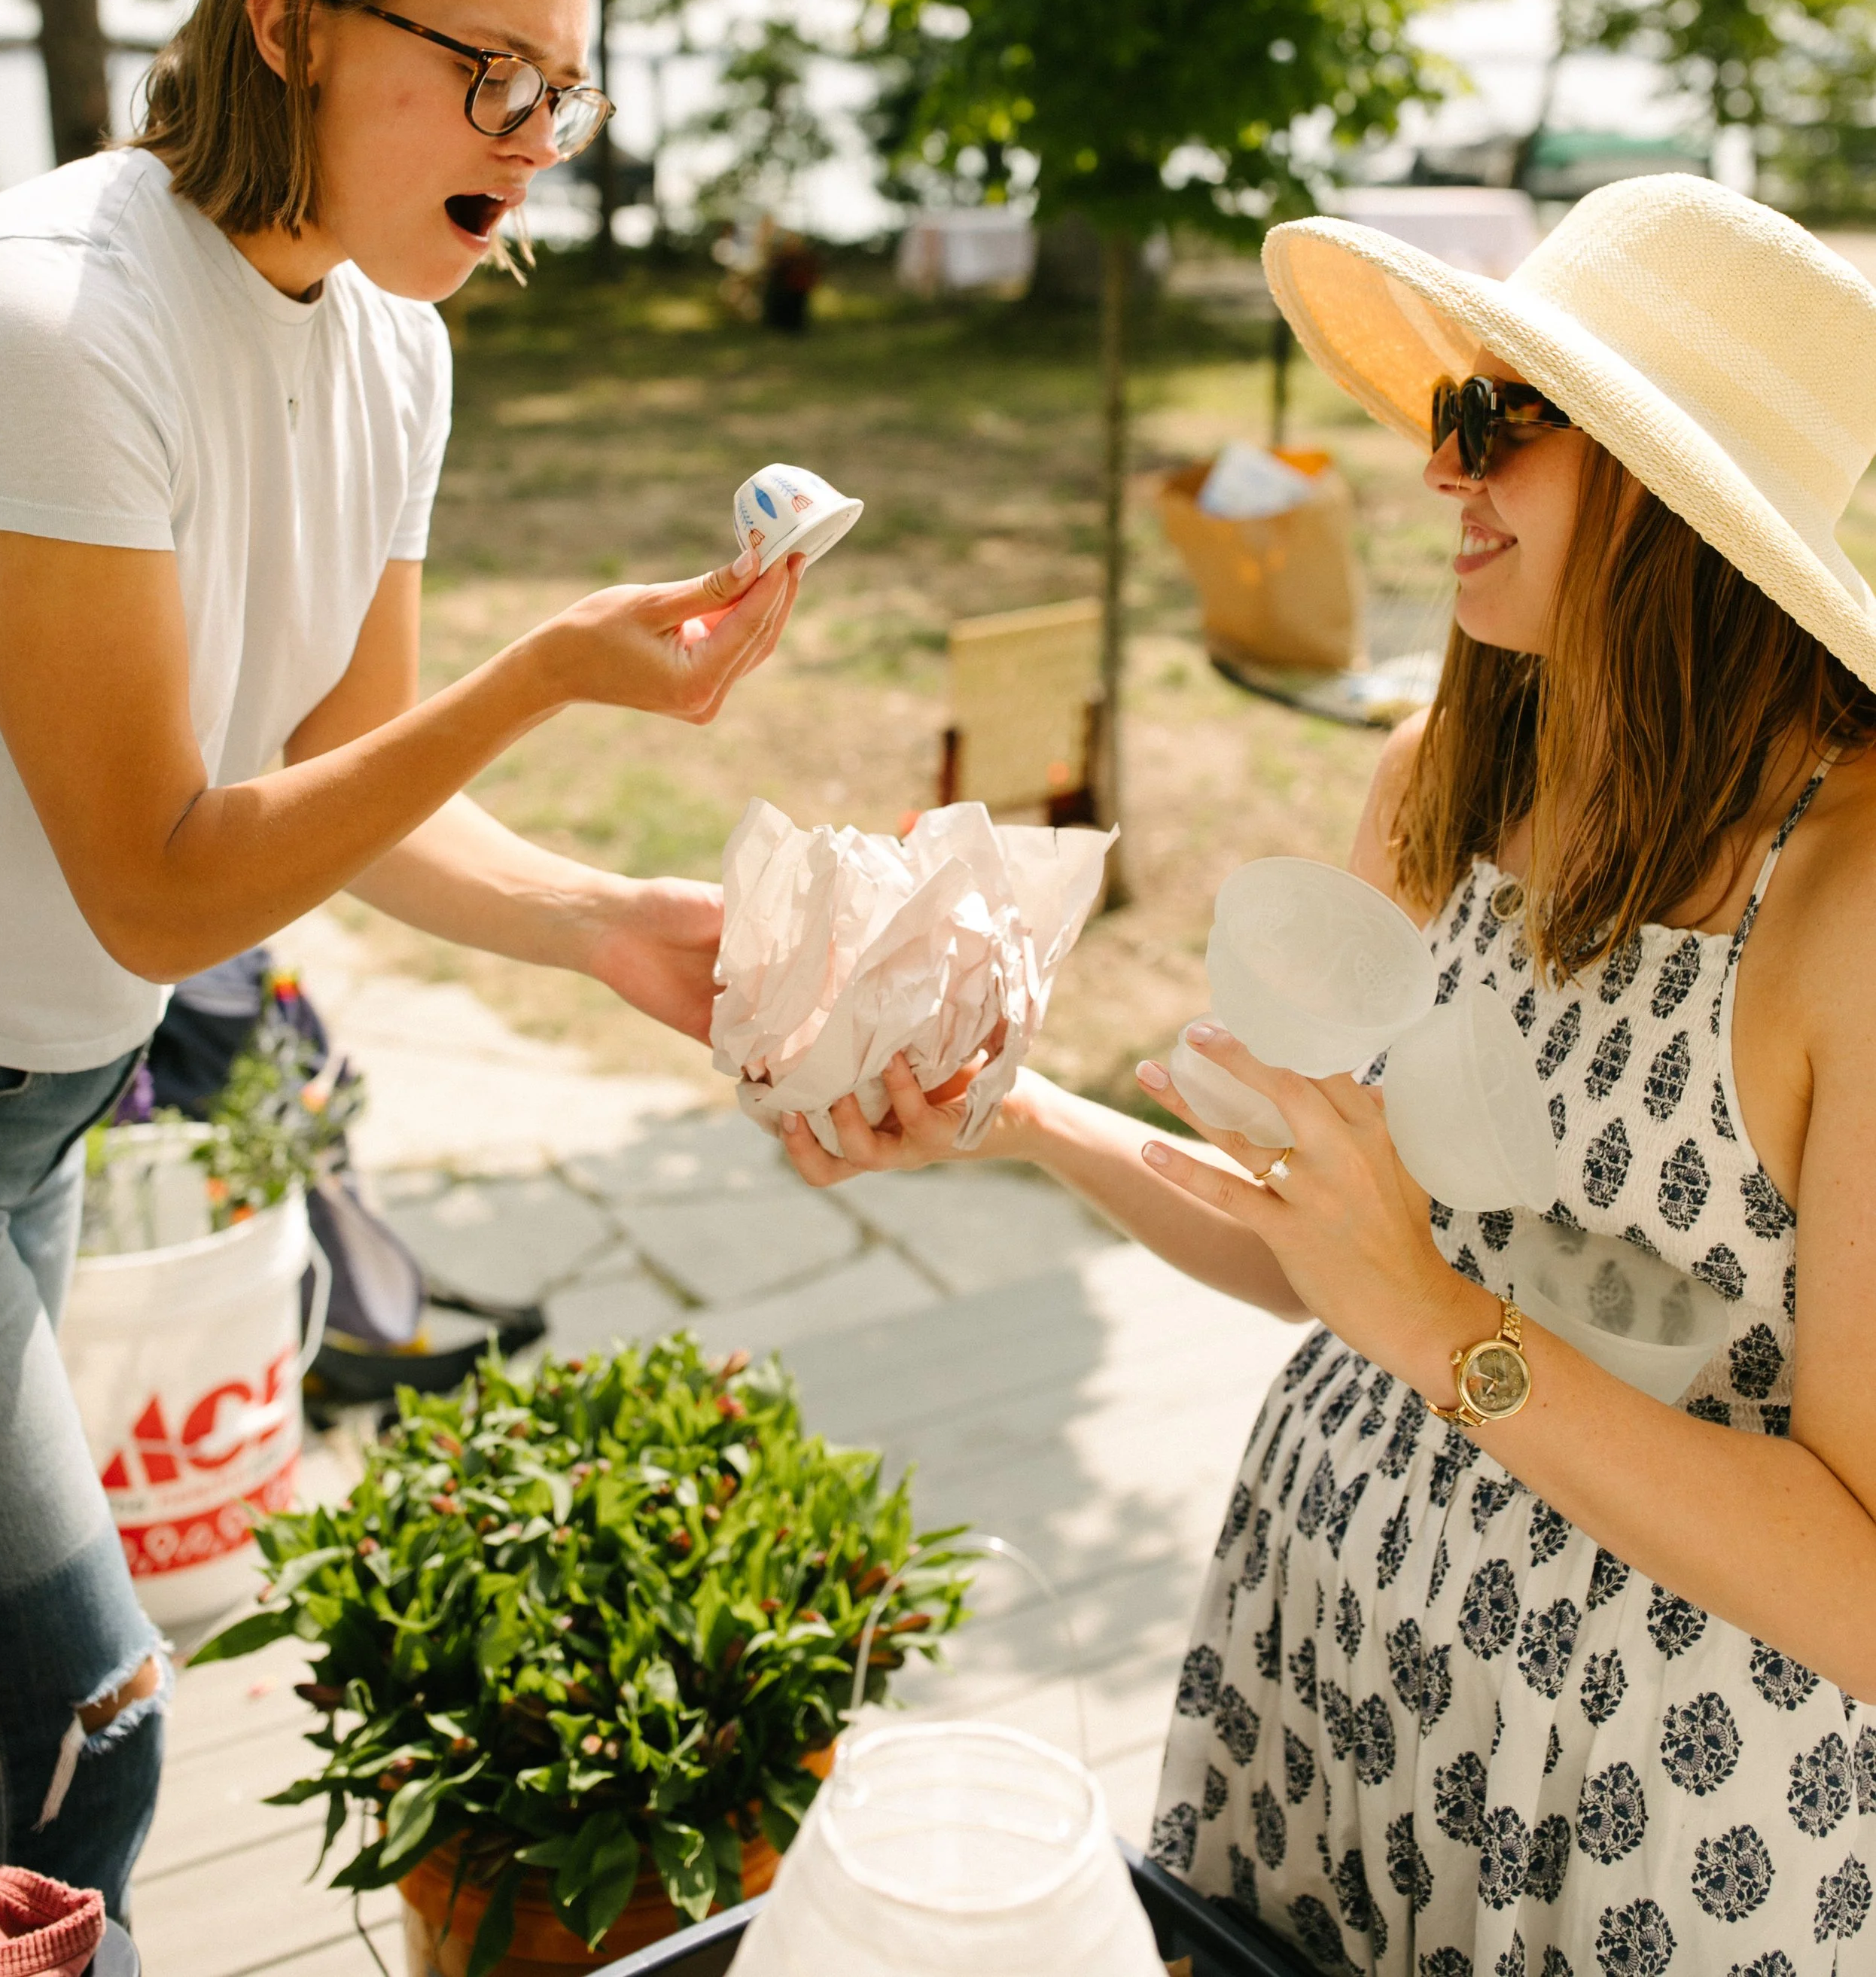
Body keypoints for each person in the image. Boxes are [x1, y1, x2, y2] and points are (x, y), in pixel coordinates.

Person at [782, 174, 1876, 1968]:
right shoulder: (1440, 775)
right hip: (1327, 1674)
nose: (1441, 470)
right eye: (1455, 413)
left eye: (1501, 422)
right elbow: (1328, 1244)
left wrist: (1440, 1325)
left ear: (1678, 505)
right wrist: (1022, 1117)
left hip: (1643, 1822)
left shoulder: (1842, 899)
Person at [0, 0, 799, 1918]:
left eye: (563, 88)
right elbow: (165, 886)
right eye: (489, 72)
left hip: (45, 1098)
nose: (537, 133)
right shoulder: (62, 322)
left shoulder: (394, 344)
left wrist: (601, 918)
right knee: (88, 1724)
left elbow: (347, 767)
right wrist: (546, 667)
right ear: (286, 21)